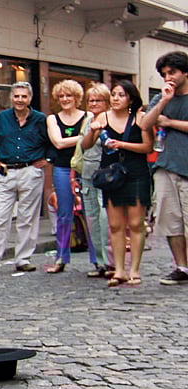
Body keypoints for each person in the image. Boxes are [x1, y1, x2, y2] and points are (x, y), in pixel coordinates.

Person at [0, 82, 51, 274]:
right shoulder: (1, 118)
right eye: (16, 96)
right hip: (6, 172)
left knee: (27, 218)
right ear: (11, 97)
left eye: (23, 96)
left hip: (30, 171)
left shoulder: (40, 120)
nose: (20, 100)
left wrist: (47, 159)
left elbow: (53, 142)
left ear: (30, 98)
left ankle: (23, 259)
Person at [82, 80, 153, 286]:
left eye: (121, 95)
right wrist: (93, 131)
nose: (115, 98)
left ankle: (135, 270)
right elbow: (85, 146)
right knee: (114, 225)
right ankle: (119, 270)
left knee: (135, 224)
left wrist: (121, 144)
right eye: (113, 94)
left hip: (135, 173)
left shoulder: (140, 118)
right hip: (111, 175)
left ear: (130, 98)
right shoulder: (102, 117)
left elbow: (148, 147)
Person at [140, 51, 188, 285]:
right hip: (165, 166)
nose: (168, 77)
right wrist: (164, 101)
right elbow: (145, 123)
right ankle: (181, 267)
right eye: (165, 74)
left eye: (173, 72)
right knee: (170, 221)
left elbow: (165, 123)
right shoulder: (161, 98)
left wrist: (170, 123)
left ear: (185, 73)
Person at [44, 80, 89, 273]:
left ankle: (98, 259)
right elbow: (58, 143)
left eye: (68, 96)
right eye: (61, 96)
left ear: (77, 98)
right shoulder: (53, 119)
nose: (64, 99)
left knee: (90, 213)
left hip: (86, 168)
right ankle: (61, 257)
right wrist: (83, 137)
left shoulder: (87, 117)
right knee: (64, 213)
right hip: (62, 168)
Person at [79, 83, 112, 278]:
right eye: (90, 100)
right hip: (87, 175)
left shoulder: (110, 120)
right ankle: (99, 262)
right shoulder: (87, 120)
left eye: (98, 100)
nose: (93, 104)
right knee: (92, 219)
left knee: (105, 218)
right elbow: (82, 148)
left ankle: (110, 262)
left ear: (107, 102)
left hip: (106, 175)